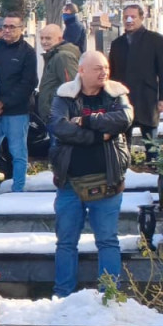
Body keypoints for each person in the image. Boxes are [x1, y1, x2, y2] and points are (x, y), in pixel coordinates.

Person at [49, 51, 132, 298]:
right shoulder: (64, 95)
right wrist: (98, 135)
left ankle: (110, 294)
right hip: (70, 183)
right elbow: (59, 127)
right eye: (98, 68)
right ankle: (62, 294)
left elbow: (123, 119)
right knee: (65, 242)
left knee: (107, 240)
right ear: (82, 70)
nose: (104, 73)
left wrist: (86, 121)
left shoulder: (117, 93)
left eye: (106, 67)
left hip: (108, 181)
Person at [109, 4, 163, 161]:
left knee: (152, 145)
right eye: (126, 17)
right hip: (124, 101)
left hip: (147, 99)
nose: (129, 20)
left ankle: (156, 170)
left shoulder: (155, 40)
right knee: (123, 146)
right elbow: (112, 73)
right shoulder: (117, 44)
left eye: (133, 17)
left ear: (141, 18)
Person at [0, 12, 39, 193]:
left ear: (21, 29)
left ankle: (18, 188)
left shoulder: (27, 52)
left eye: (12, 27)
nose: (7, 30)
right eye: (5, 26)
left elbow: (28, 83)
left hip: (17, 110)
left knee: (18, 152)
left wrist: (3, 103)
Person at [37, 24, 81, 123]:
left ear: (59, 38)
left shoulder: (62, 56)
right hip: (55, 113)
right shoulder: (53, 55)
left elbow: (72, 86)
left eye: (48, 38)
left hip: (59, 115)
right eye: (42, 38)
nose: (44, 42)